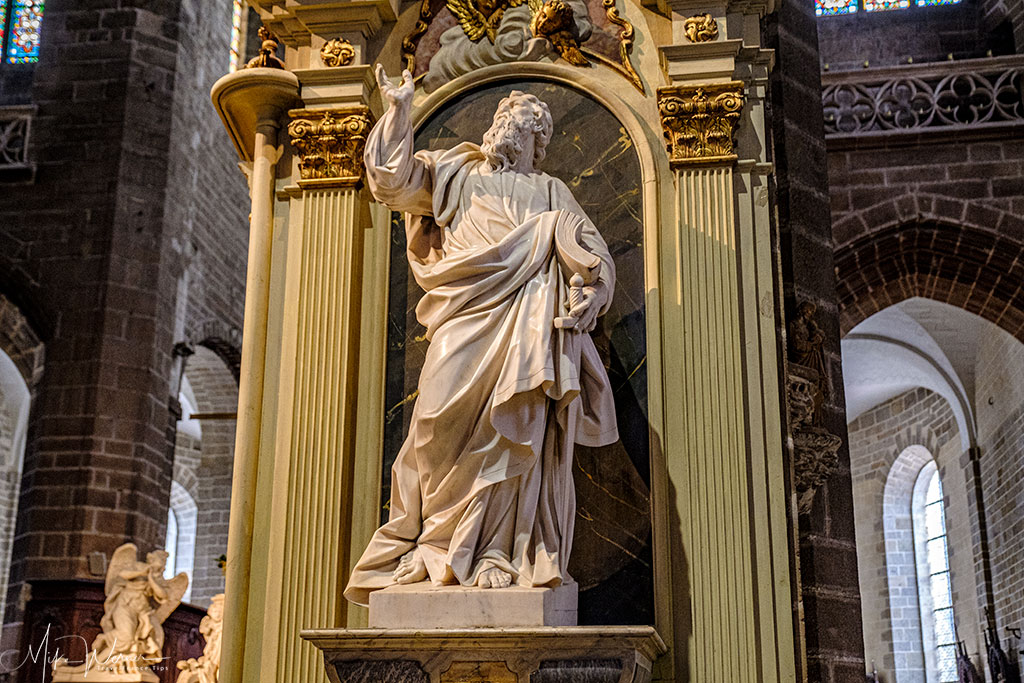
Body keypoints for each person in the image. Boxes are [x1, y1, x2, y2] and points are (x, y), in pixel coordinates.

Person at [343, 66, 618, 605]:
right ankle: (431, 545)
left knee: (512, 431)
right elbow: (389, 182)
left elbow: (596, 257)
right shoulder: (455, 174)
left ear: (537, 142)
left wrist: (592, 292)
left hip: (526, 324)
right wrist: (399, 111)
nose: (501, 127)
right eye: (500, 119)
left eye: (516, 123)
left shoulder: (551, 192)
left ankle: (496, 551)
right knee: (432, 421)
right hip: (463, 315)